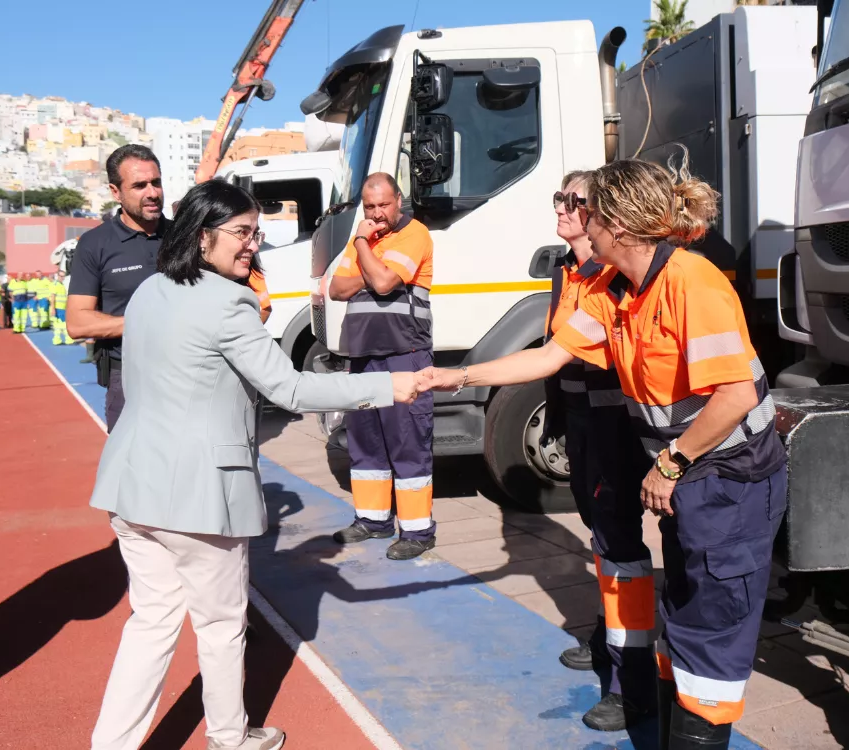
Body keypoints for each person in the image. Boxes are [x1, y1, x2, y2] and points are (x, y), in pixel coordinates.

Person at [420, 155, 787, 749]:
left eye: (588, 213)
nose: (579, 222)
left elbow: (736, 395)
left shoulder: (691, 282)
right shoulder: (617, 289)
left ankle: (696, 734)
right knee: (689, 620)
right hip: (695, 476)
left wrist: (670, 464)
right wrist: (456, 378)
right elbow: (548, 358)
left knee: (712, 632)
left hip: (730, 476)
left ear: (619, 223)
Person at [88, 181, 423, 750]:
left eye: (255, 234)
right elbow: (290, 387)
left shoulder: (146, 292)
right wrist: (391, 384)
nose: (252, 246)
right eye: (242, 234)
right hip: (200, 493)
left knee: (150, 624)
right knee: (220, 627)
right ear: (202, 238)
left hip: (132, 483)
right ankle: (229, 737)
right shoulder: (229, 302)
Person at [542, 173, 657, 732]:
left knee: (618, 544)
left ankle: (631, 676)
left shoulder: (607, 278)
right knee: (602, 537)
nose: (563, 209)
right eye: (559, 199)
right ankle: (612, 635)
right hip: (584, 420)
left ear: (602, 214)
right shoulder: (569, 271)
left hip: (614, 428)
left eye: (574, 201)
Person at [328, 173, 436, 561]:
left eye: (383, 205)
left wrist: (360, 244)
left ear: (399, 200)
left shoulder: (415, 233)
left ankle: (418, 531)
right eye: (369, 207)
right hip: (362, 354)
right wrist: (368, 270)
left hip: (404, 353)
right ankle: (373, 521)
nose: (376, 214)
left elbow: (387, 282)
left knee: (408, 442)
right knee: (366, 442)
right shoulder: (365, 241)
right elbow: (336, 289)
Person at [67, 145, 169, 432]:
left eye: (156, 183)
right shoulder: (94, 244)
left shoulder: (182, 236)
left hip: (188, 374)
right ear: (116, 192)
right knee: (132, 469)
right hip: (127, 379)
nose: (152, 193)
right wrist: (146, 323)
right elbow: (77, 322)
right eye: (139, 185)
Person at [49, 270, 74, 345]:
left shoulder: (61, 284)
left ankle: (58, 340)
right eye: (61, 276)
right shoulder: (55, 284)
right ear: (57, 276)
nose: (62, 278)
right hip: (58, 308)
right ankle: (66, 339)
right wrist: (53, 308)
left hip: (63, 308)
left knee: (59, 325)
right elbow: (53, 297)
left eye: (63, 276)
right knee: (62, 324)